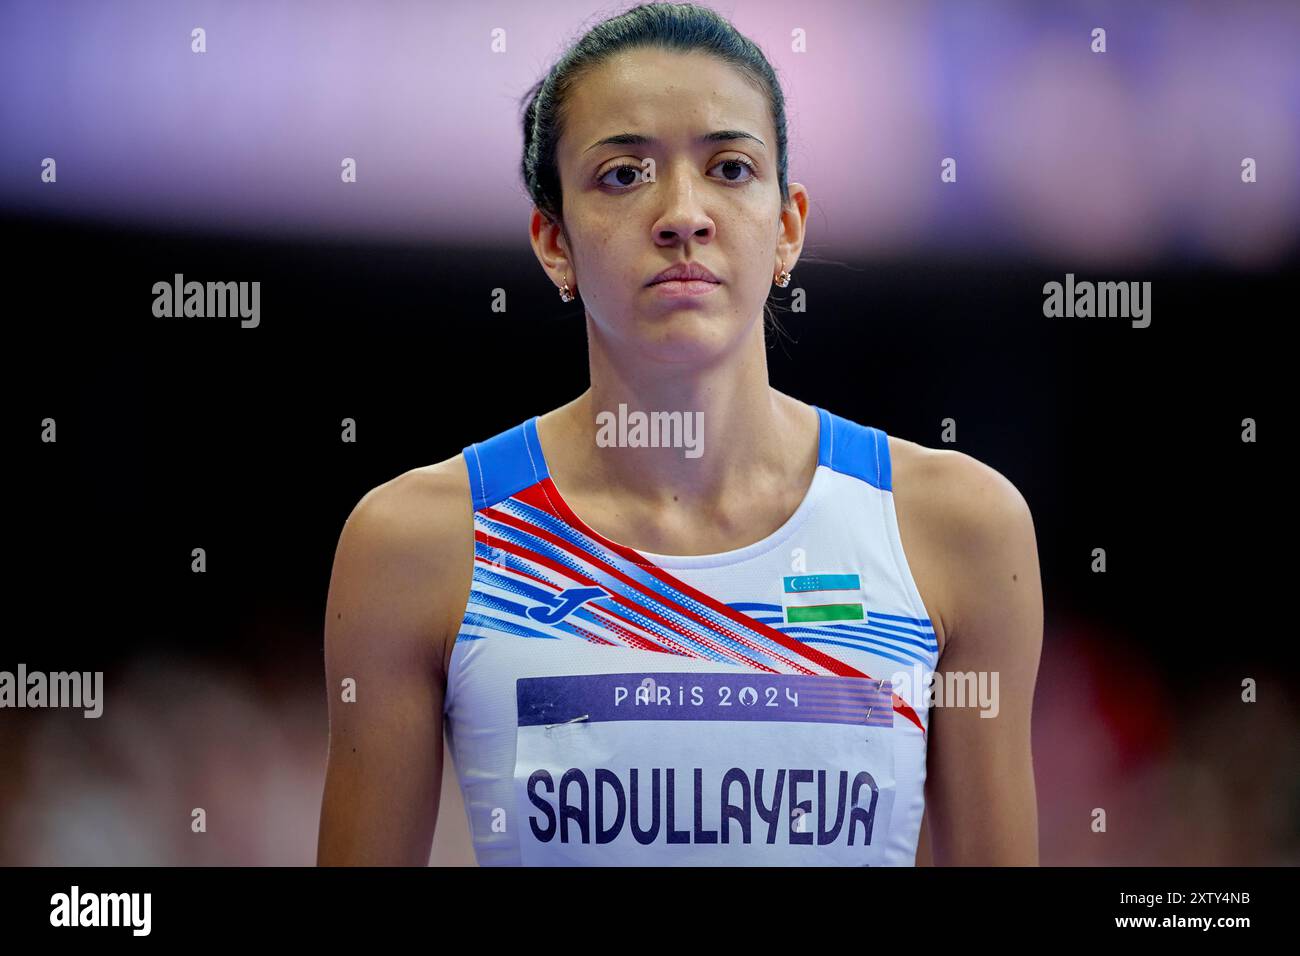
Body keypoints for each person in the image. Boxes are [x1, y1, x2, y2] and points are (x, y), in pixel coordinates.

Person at [317, 1, 1042, 866]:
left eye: (730, 168)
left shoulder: (957, 529)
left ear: (787, 227)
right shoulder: (420, 545)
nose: (683, 215)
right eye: (623, 174)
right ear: (553, 241)